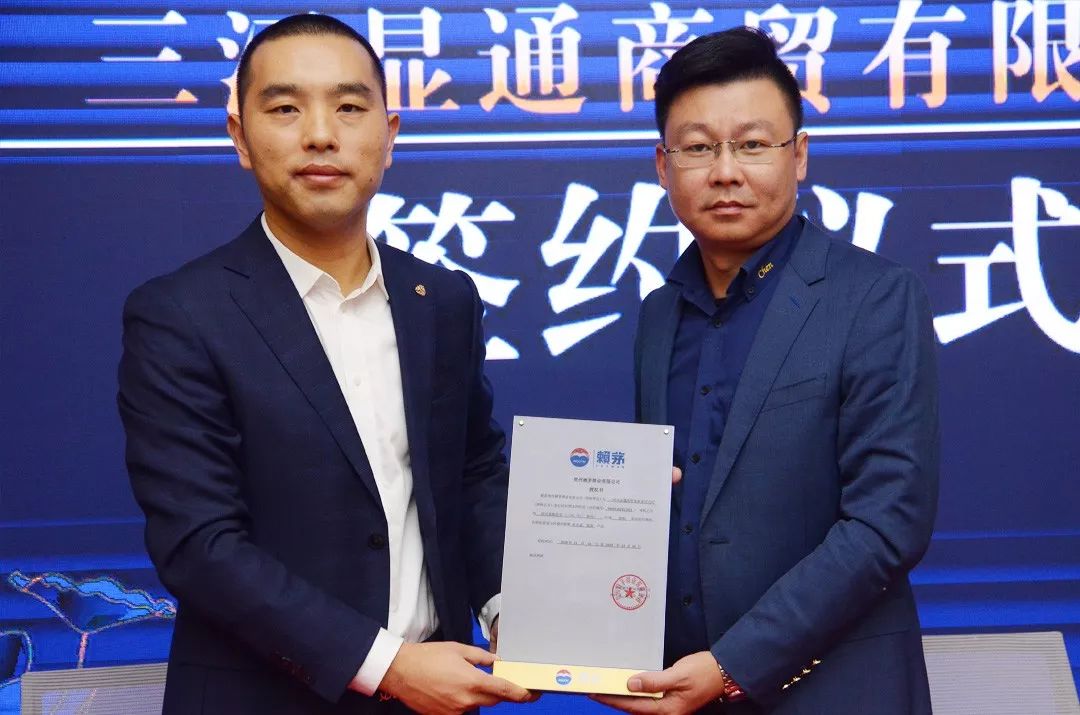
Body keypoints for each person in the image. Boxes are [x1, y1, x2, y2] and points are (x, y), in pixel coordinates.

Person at [117, 14, 532, 715]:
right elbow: (200, 543)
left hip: (441, 695)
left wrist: (511, 607)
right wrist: (388, 665)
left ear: (390, 135)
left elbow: (473, 471)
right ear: (239, 137)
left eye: (348, 107)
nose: (320, 134)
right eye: (285, 108)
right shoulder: (180, 314)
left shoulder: (442, 299)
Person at [594, 27, 939, 715]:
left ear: (798, 155)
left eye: (752, 144)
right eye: (698, 148)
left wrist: (732, 665)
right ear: (663, 166)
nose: (725, 172)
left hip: (838, 693)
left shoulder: (873, 297)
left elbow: (887, 522)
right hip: (681, 692)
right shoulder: (660, 315)